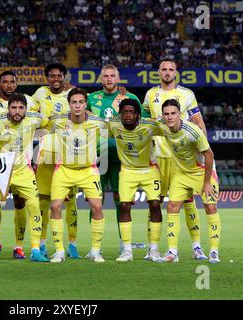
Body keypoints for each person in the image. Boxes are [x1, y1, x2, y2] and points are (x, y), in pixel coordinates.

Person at [142, 58, 209, 260]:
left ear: (176, 72)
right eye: (164, 69)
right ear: (159, 72)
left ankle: (196, 247)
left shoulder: (187, 94)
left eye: (171, 69)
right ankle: (153, 247)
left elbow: (198, 122)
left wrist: (203, 151)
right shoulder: (151, 94)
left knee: (188, 201)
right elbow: (144, 123)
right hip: (158, 156)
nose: (167, 72)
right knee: (155, 202)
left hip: (182, 157)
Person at [0, 92, 49, 263]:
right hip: (0, 170)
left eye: (21, 108)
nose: (17, 111)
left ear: (26, 109)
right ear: (8, 108)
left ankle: (35, 250)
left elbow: (52, 121)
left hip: (23, 171)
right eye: (13, 107)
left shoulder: (35, 119)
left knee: (34, 207)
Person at [86, 64, 145, 253]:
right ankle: (96, 247)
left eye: (112, 75)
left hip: (123, 159)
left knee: (123, 201)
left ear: (118, 78)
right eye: (105, 76)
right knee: (96, 201)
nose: (109, 78)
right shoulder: (91, 99)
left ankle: (124, 244)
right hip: (98, 157)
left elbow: (142, 124)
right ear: (100, 79)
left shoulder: (129, 98)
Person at [156, 99, 221, 263]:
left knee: (210, 207)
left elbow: (209, 155)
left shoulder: (192, 131)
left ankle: (214, 251)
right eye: (166, 114)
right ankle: (172, 252)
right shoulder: (161, 125)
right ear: (162, 115)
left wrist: (207, 183)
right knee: (172, 207)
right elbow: (141, 120)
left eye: (173, 113)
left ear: (179, 114)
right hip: (181, 174)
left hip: (202, 172)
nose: (169, 117)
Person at [48, 88, 107, 263]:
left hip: (89, 170)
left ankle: (95, 251)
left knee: (97, 207)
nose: (77, 105)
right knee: (56, 206)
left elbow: (115, 127)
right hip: (64, 169)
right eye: (74, 102)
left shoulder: (98, 122)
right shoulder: (57, 121)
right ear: (69, 103)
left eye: (81, 102)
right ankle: (59, 251)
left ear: (85, 104)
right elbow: (37, 127)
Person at [0, 70, 38, 259]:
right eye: (5, 82)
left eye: (12, 82)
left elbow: (45, 118)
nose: (9, 85)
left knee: (21, 203)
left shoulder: (29, 101)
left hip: (21, 165)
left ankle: (19, 246)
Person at [32, 63, 79, 259]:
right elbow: (32, 118)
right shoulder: (39, 94)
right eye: (52, 76)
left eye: (59, 75)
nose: (56, 79)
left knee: (70, 200)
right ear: (46, 78)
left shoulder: (74, 93)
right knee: (43, 199)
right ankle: (42, 243)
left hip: (69, 153)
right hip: (45, 151)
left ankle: (73, 244)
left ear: (64, 77)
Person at [108, 99, 163, 262]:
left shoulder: (150, 126)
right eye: (124, 112)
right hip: (127, 171)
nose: (128, 115)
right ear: (120, 114)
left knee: (155, 205)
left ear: (137, 115)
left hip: (150, 169)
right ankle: (126, 251)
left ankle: (153, 249)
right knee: (124, 206)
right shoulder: (113, 125)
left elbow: (169, 129)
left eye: (131, 112)